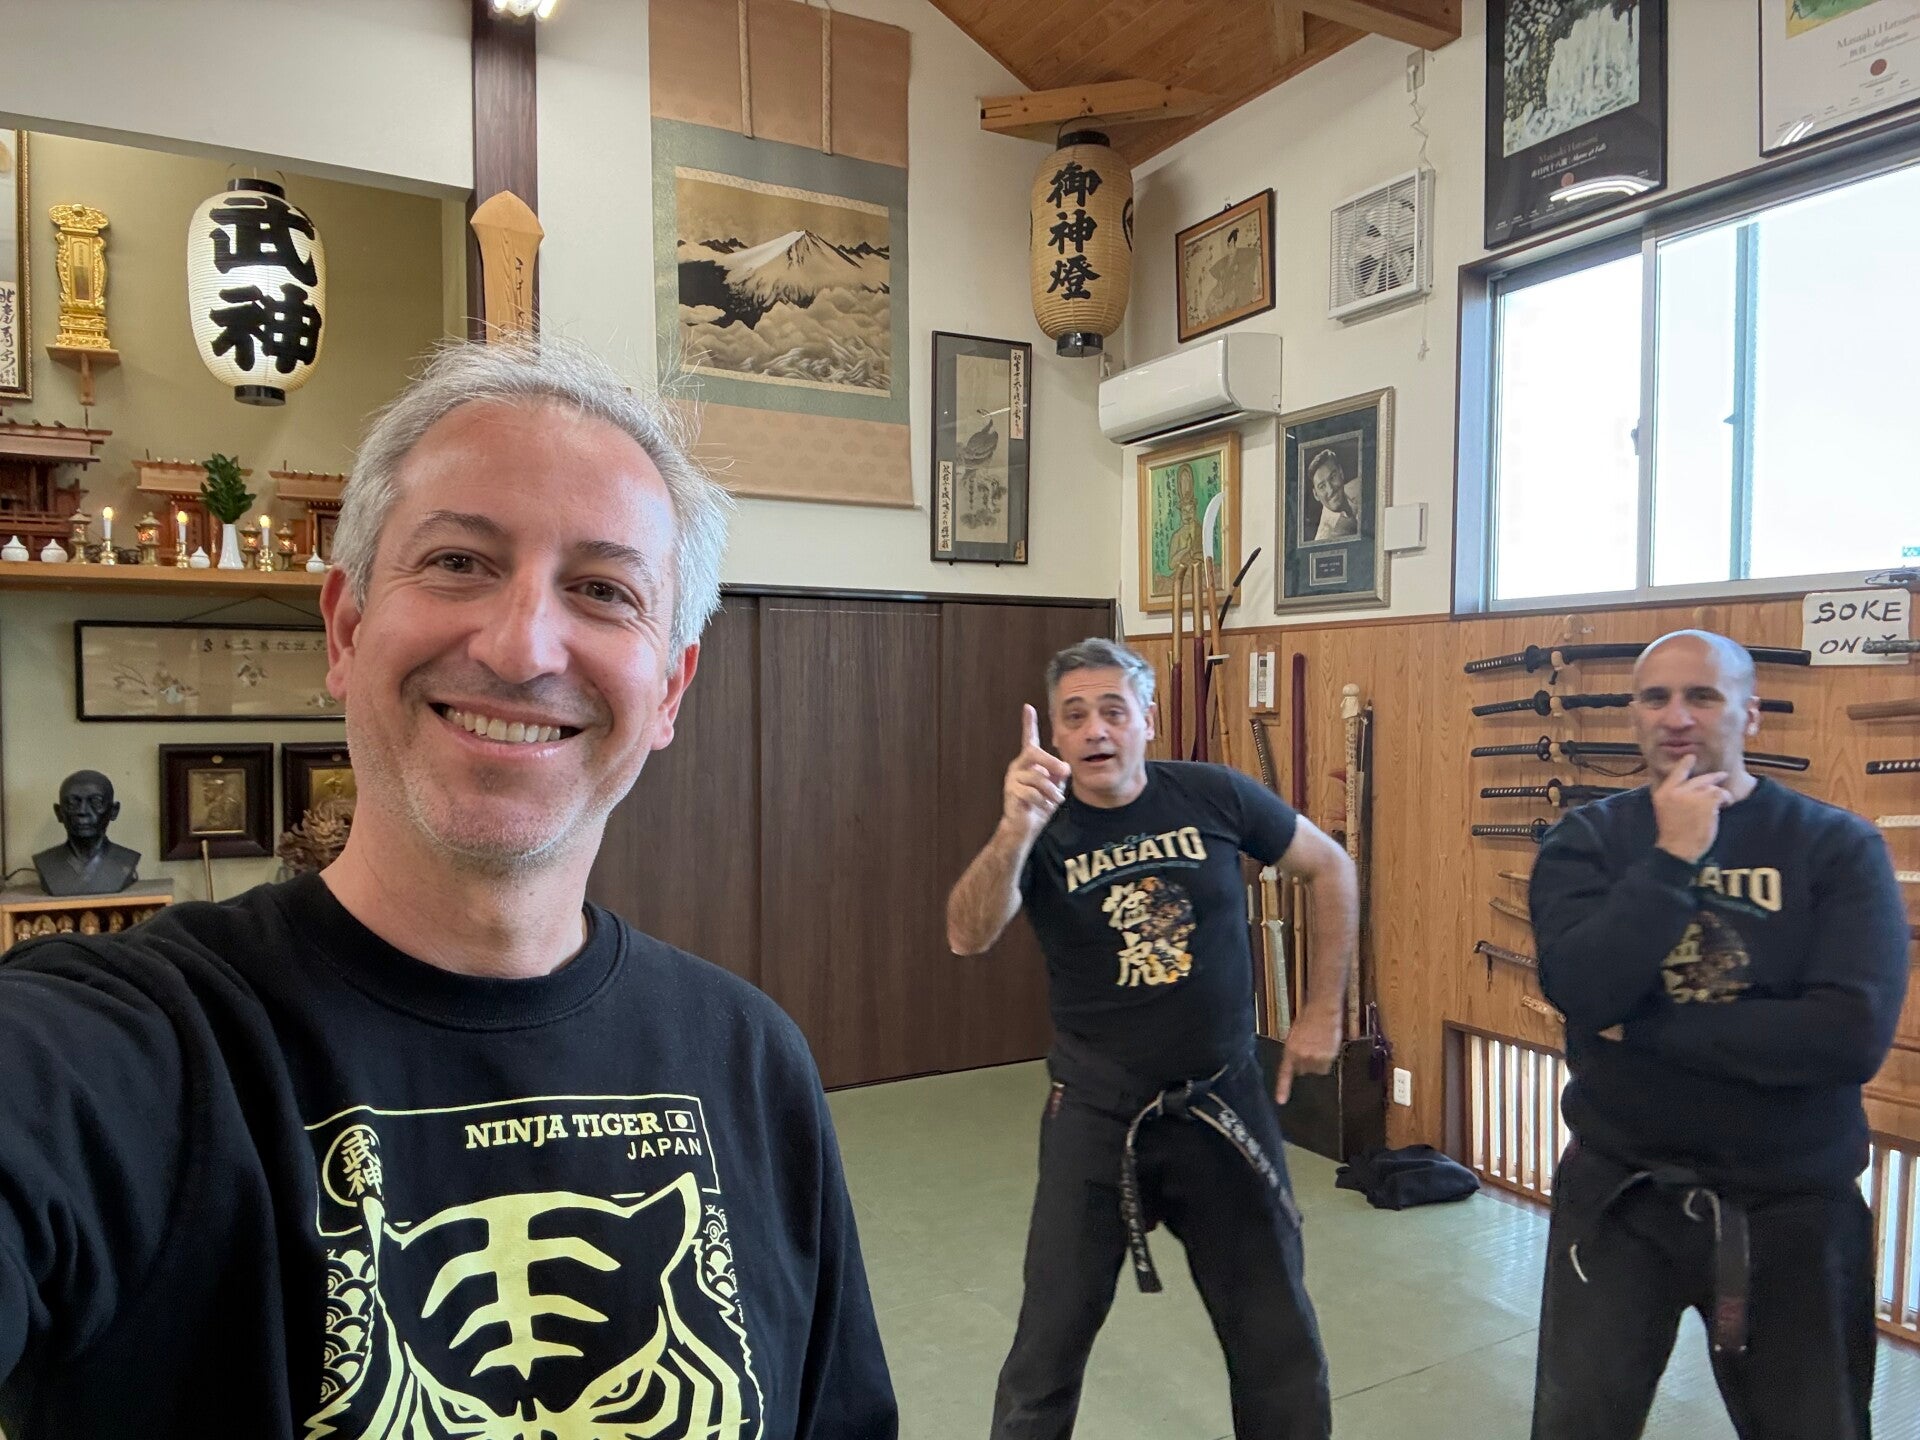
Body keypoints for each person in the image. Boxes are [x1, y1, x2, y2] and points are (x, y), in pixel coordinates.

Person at [0, 340, 897, 1439]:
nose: (522, 649)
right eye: (460, 562)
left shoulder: (752, 1061)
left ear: (669, 689)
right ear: (346, 628)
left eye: (604, 590)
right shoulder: (136, 1049)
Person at [947, 636, 1357, 1440]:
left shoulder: (1214, 796)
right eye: (1074, 716)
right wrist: (1014, 829)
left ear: (1148, 721)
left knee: (1276, 1344)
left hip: (1222, 1106)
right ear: (1055, 737)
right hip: (1096, 1115)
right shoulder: (1039, 829)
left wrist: (1321, 1011)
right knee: (1046, 1352)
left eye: (1113, 710)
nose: (1095, 729)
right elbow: (968, 934)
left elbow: (1331, 866)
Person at [1529, 629, 1908, 1440]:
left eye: (1701, 696)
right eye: (1655, 697)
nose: (1676, 716)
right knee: (1577, 1425)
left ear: (1750, 713)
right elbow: (1582, 990)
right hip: (1621, 1198)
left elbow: (1846, 1038)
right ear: (1633, 714)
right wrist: (1673, 858)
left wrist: (1641, 1029)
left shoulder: (1834, 846)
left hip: (1793, 1206)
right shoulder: (1587, 842)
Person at [31, 770, 141, 896]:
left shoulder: (126, 860)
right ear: (59, 812)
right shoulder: (46, 862)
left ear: (114, 811)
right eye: (72, 803)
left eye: (96, 802)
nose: (83, 811)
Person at [1306, 451, 1360, 542]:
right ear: (1316, 495)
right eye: (1322, 486)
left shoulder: (1360, 486)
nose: (1330, 490)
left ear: (1341, 473)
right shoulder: (1325, 539)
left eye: (1332, 477)